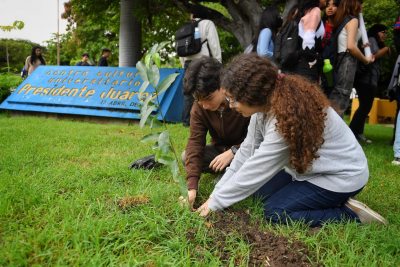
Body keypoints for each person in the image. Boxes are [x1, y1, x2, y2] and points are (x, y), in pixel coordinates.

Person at [196, 53, 387, 227]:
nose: (231, 105)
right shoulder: (262, 110)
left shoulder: (285, 120)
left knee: (275, 212)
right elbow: (246, 153)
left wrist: (215, 203)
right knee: (256, 193)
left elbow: (257, 168)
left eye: (233, 99)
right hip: (309, 172)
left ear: (251, 94)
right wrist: (216, 195)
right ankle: (327, 200)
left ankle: (351, 215)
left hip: (341, 175)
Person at [181, 56, 249, 209]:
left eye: (208, 98)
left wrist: (234, 151)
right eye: (199, 100)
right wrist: (192, 187)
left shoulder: (243, 100)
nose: (204, 106)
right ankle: (227, 174)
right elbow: (195, 142)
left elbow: (259, 140)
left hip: (247, 151)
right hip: (219, 151)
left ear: (222, 85)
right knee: (186, 156)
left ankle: (231, 176)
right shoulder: (199, 108)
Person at [328, 0, 374, 116]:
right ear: (354, 4)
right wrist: (366, 60)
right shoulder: (353, 20)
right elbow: (351, 47)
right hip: (347, 61)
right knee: (342, 96)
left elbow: (346, 42)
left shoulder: (341, 19)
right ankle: (333, 130)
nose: (361, 6)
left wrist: (361, 45)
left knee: (337, 95)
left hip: (339, 59)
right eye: (360, 3)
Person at [179, 6, 222, 127]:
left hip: (188, 63)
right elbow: (214, 44)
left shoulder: (186, 26)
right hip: (204, 62)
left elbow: (181, 49)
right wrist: (218, 63)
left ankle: (186, 121)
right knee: (206, 91)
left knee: (188, 93)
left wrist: (184, 65)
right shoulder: (207, 23)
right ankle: (207, 118)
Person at [349, 24, 390, 144]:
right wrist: (386, 49)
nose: (385, 35)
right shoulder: (371, 40)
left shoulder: (373, 41)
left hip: (370, 80)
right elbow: (372, 56)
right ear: (376, 32)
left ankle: (358, 133)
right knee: (364, 107)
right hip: (365, 80)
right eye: (383, 32)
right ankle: (352, 133)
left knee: (365, 107)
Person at [289, 0, 325, 82]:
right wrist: (314, 60)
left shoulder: (304, 12)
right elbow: (308, 44)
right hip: (307, 67)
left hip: (300, 65)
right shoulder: (315, 10)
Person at [321, 0, 340, 96]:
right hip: (318, 65)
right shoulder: (320, 24)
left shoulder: (341, 27)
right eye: (328, 5)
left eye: (334, 5)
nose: (330, 8)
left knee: (329, 93)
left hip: (333, 67)